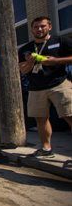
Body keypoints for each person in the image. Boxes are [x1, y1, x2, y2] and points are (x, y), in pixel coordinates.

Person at [18, 16, 72, 158]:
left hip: (59, 83)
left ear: (49, 27)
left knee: (69, 114)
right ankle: (46, 148)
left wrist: (56, 61)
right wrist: (29, 63)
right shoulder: (26, 49)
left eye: (42, 26)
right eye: (36, 27)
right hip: (36, 87)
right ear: (32, 29)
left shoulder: (60, 41)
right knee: (41, 118)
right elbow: (22, 70)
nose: (39, 29)